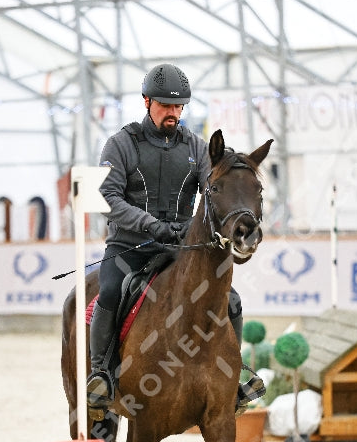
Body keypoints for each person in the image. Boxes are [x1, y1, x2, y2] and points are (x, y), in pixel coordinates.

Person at [86, 62, 264, 416]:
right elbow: (108, 198)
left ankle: (232, 380)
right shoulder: (121, 144)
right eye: (166, 105)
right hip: (129, 246)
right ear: (146, 101)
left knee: (231, 300)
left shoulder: (196, 147)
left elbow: (214, 185)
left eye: (179, 106)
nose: (174, 112)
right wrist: (150, 225)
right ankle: (102, 374)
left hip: (181, 247)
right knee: (110, 291)